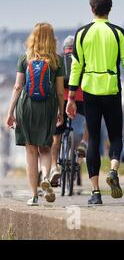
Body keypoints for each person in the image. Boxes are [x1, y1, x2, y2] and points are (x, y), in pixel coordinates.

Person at [66, 0, 124, 205]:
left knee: (93, 140)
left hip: (90, 92)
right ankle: (112, 170)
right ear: (109, 9)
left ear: (92, 9)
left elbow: (76, 67)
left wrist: (71, 97)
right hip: (112, 90)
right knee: (116, 136)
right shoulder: (118, 33)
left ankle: (95, 193)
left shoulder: (82, 34)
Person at [5, 23, 65, 206]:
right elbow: (60, 91)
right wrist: (61, 112)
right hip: (47, 107)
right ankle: (46, 176)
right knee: (45, 147)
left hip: (27, 106)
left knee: (30, 151)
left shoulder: (25, 58)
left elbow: (17, 87)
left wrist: (10, 112)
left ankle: (33, 195)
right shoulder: (57, 60)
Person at [49, 35, 89, 187]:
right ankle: (84, 143)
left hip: (63, 99)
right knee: (92, 120)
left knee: (56, 137)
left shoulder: (58, 59)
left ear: (64, 47)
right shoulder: (83, 57)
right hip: (81, 97)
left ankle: (53, 167)